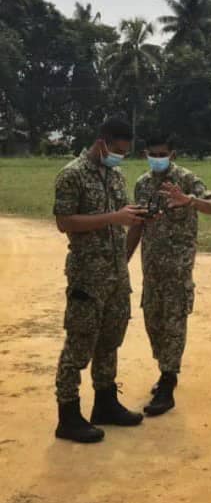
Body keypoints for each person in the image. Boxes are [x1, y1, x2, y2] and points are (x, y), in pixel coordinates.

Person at [53, 117, 147, 443]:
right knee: (79, 344)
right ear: (103, 142)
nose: (120, 156)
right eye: (118, 150)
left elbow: (120, 216)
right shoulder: (71, 175)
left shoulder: (115, 174)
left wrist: (136, 215)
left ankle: (105, 403)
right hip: (87, 275)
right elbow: (64, 222)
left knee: (110, 340)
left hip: (116, 273)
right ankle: (68, 416)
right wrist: (114, 217)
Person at [127, 134, 211, 416]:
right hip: (151, 269)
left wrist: (189, 201)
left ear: (173, 154)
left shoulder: (187, 179)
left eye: (162, 153)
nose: (157, 158)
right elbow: (137, 225)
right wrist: (123, 258)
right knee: (153, 321)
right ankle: (165, 369)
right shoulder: (142, 184)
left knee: (174, 321)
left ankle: (168, 381)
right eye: (152, 153)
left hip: (178, 269)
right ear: (146, 154)